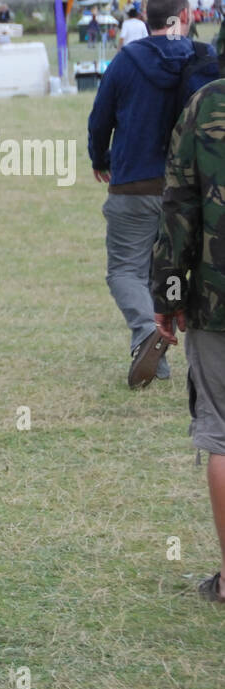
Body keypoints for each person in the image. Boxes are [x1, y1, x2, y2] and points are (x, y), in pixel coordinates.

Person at [88, 0, 220, 388]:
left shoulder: (127, 60)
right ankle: (161, 360)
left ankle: (147, 330)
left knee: (124, 271)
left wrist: (100, 159)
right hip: (190, 188)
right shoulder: (203, 59)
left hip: (133, 183)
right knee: (166, 272)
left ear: (145, 20)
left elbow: (99, 119)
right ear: (187, 17)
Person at [151, 78, 225, 603]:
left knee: (223, 435)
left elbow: (179, 210)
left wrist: (169, 294)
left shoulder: (206, 104)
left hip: (217, 302)